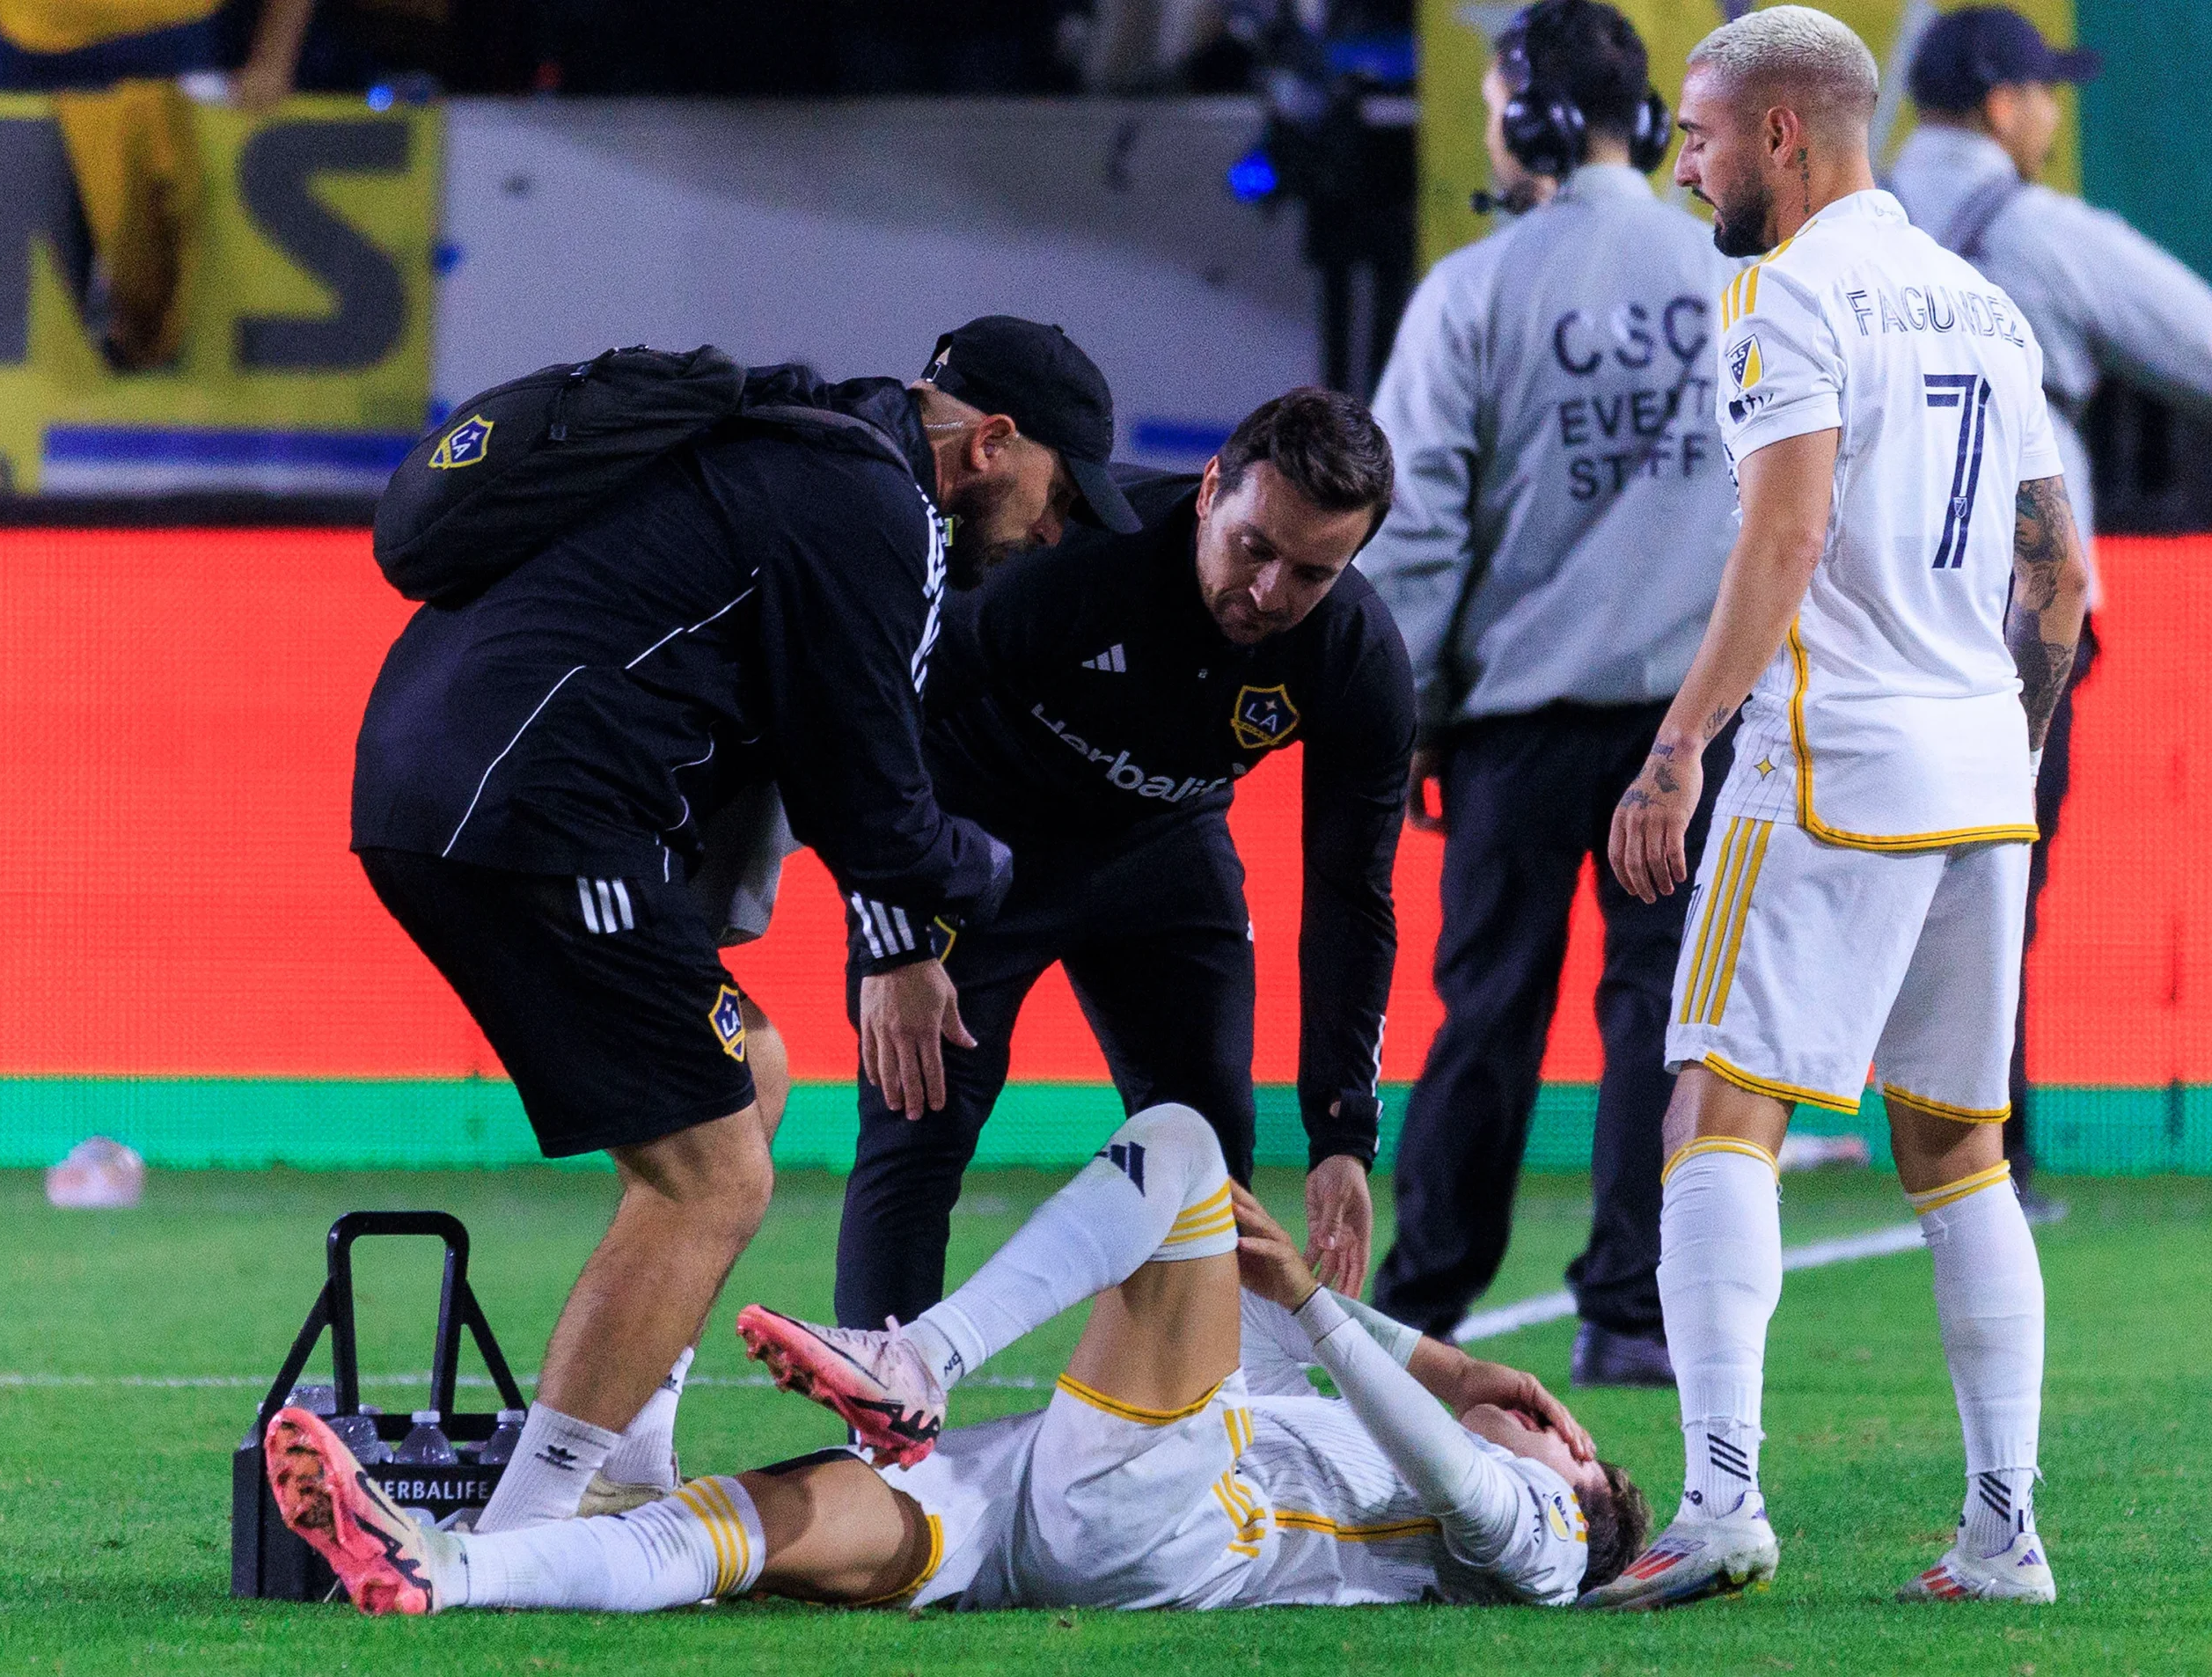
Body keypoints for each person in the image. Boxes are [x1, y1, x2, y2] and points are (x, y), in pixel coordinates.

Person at [349, 316, 1140, 1536]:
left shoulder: (801, 449)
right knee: (710, 1175)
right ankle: (521, 1534)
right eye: (1059, 495)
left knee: (751, 1071)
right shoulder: (879, 510)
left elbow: (805, 754)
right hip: (534, 813)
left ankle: (626, 1462)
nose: (1055, 527)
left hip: (444, 779)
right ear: (990, 443)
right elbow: (873, 807)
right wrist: (994, 871)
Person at [1587, 7, 2087, 1609]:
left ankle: (1722, 1497)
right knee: (1959, 1151)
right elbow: (2060, 584)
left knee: (1716, 1110)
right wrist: (2004, 750)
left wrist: (1678, 746)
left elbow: (1784, 542)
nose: (1686, 167)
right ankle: (2005, 1534)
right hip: (1973, 781)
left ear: (1781, 135)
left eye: (1700, 135)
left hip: (1827, 764)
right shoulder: (1987, 308)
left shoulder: (1782, 295)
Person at [261, 1103, 1654, 1616]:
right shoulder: (1418, 1439)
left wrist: (1396, 1364)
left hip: (1173, 1517)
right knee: (741, 1527)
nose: (1550, 1422)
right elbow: (1281, 1316)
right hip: (1036, 1510)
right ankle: (451, 1570)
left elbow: (1465, 1489)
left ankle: (921, 1352)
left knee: (1178, 1145)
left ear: (1580, 1463)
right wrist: (1454, 1363)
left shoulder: (1542, 1533)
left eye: (1563, 1429)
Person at [834, 386, 1413, 1335]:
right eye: (1254, 548)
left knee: (1209, 1159)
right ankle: (878, 1448)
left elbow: (1351, 895)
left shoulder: (1354, 654)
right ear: (1211, 489)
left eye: (1312, 572)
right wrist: (894, 940)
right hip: (976, 840)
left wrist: (1342, 1133)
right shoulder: (1068, 562)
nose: (1269, 595)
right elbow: (873, 732)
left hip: (1162, 855)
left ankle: (1169, 1445)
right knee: (915, 1128)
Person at [1353, 0, 1737, 1385]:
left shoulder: (1478, 287)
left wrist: (1413, 712)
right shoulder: (1735, 277)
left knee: (1488, 1008)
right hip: (1691, 725)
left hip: (1519, 722)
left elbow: (1418, 527)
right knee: (1660, 1010)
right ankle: (1631, 1310)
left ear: (1528, 117)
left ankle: (1425, 1299)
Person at [1888, 5, 2212, 1210]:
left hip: (1854, 609)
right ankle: (1984, 1154)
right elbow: (2197, 342)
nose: (2056, 113)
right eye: (2043, 92)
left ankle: (1762, 1133)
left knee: (1842, 884)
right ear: (2001, 102)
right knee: (1990, 889)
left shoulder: (1839, 227)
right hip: (2011, 612)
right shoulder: (2034, 229)